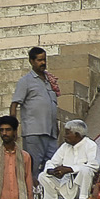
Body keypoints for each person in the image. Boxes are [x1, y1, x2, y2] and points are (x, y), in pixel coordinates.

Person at [12, 45, 59, 175]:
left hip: (51, 132)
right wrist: (13, 127)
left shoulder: (49, 81)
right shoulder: (25, 81)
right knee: (33, 168)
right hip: (34, 131)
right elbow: (14, 104)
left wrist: (56, 126)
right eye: (39, 60)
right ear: (31, 61)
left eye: (44, 59)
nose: (43, 63)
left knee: (52, 166)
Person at [41, 120, 98, 199]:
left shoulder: (90, 145)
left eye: (67, 133)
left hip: (81, 186)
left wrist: (70, 169)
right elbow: (52, 162)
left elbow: (94, 165)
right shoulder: (65, 147)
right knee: (43, 176)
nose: (64, 136)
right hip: (65, 184)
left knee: (86, 170)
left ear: (77, 134)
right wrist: (52, 171)